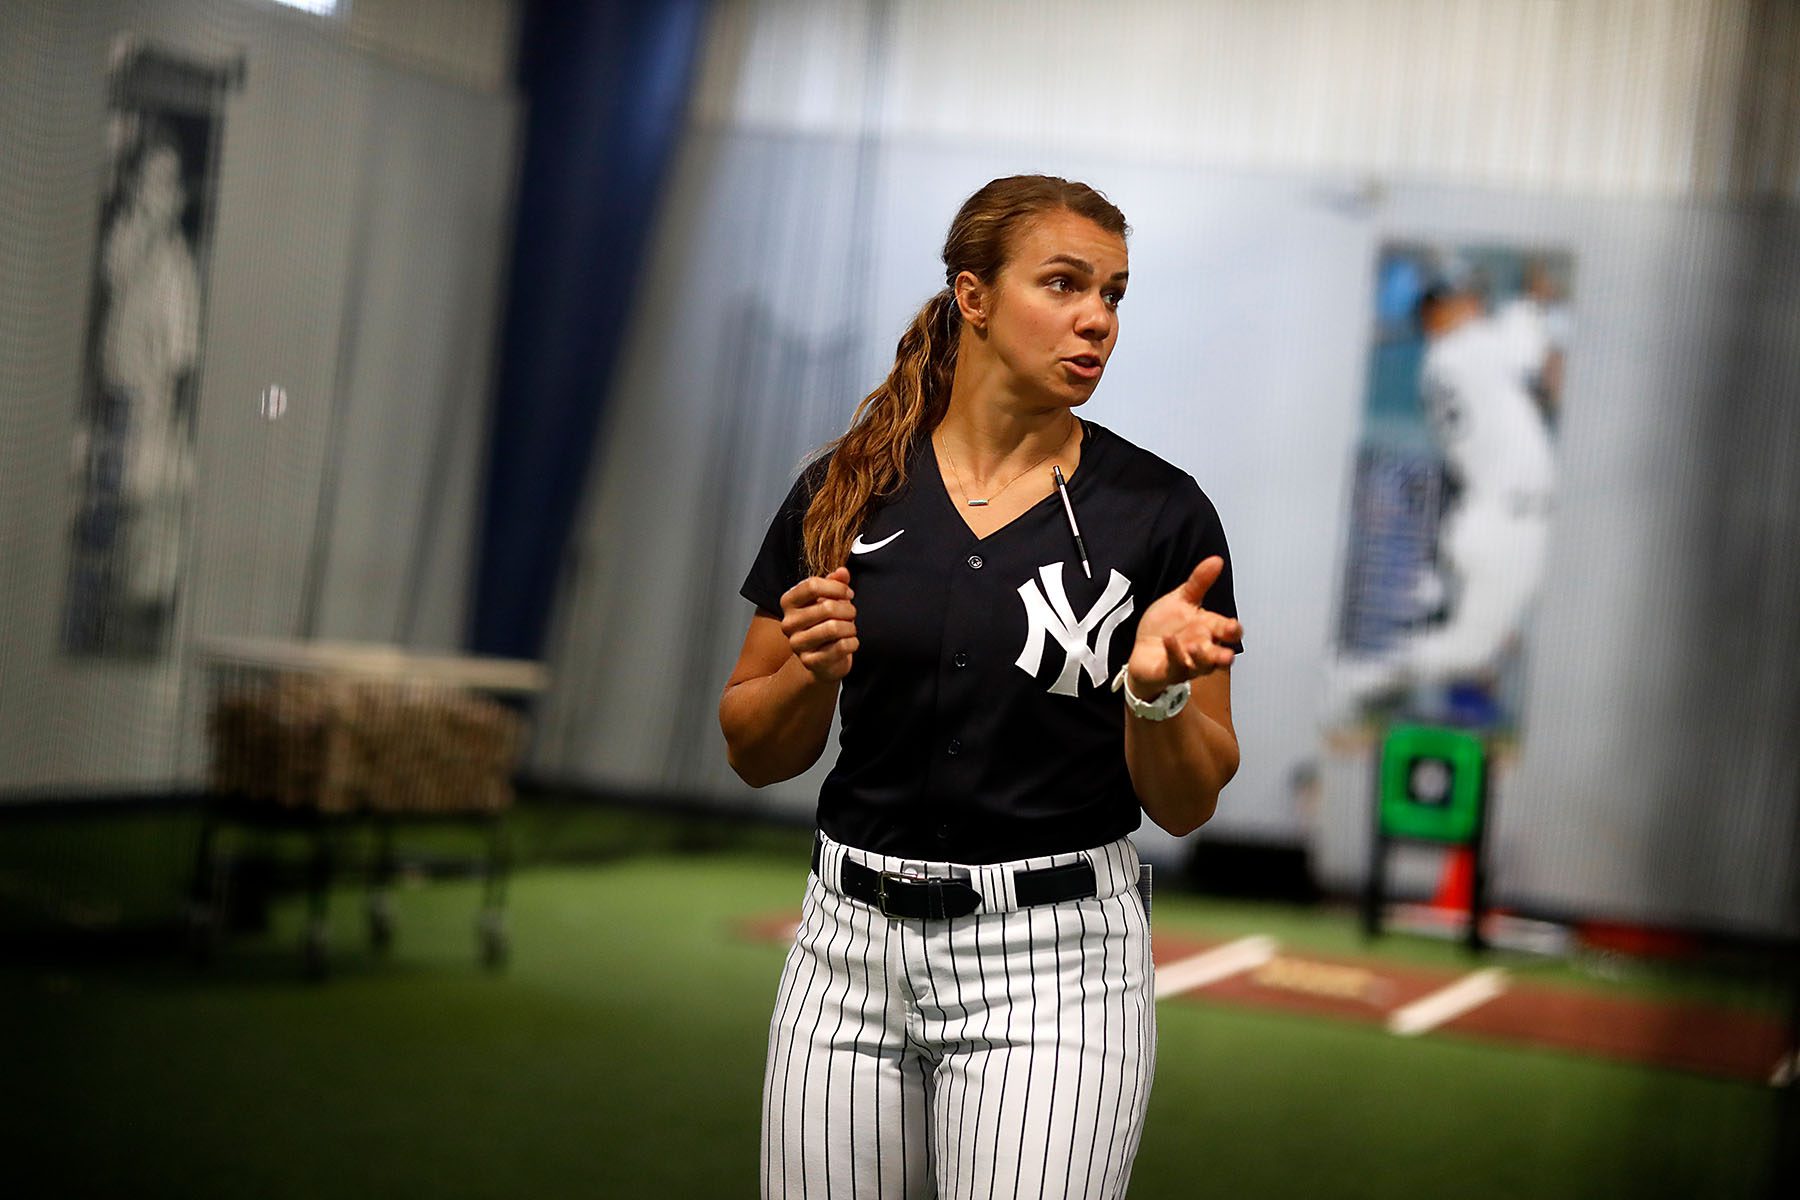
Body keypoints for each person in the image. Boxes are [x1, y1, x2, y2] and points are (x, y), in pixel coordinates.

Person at [719, 175, 1244, 1199]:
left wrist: (1154, 693)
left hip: (1054, 973)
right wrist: (810, 679)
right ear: (973, 297)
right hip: (844, 956)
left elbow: (1185, 806)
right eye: (1064, 284)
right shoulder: (844, 489)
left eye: (1115, 294)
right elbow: (751, 747)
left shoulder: (1162, 517)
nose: (1097, 317)